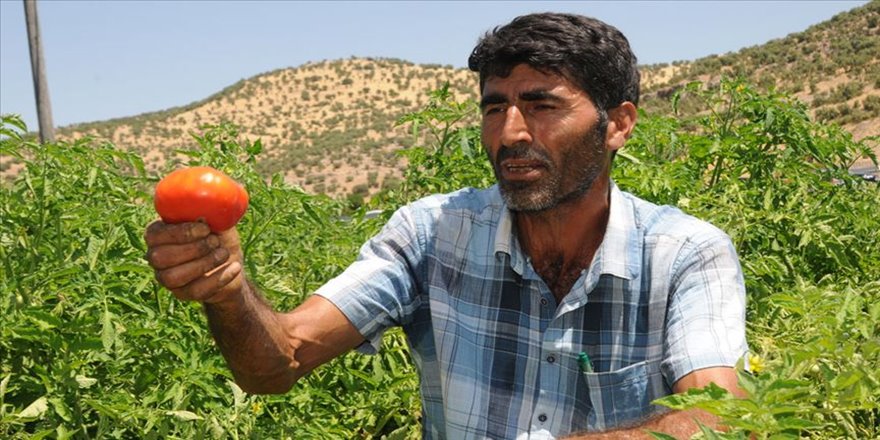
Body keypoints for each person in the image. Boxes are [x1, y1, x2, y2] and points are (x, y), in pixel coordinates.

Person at [145, 13, 747, 439]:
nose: (510, 132)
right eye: (494, 107)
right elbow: (277, 363)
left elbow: (722, 418)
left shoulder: (685, 254)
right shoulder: (431, 233)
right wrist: (228, 293)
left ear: (617, 124)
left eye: (541, 106)